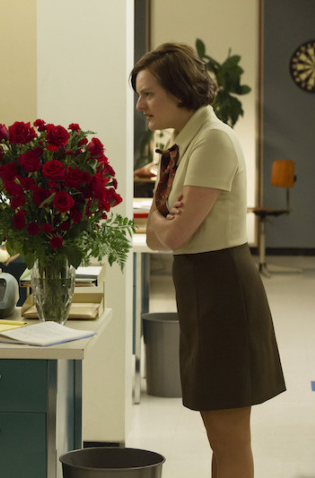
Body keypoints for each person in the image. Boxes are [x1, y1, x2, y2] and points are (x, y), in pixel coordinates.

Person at [131, 43, 285, 478]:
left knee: (229, 438)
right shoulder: (183, 144)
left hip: (223, 289)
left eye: (148, 94)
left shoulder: (212, 140)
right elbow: (156, 234)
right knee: (217, 435)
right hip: (202, 287)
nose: (140, 105)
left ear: (179, 91)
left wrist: (162, 218)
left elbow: (173, 234)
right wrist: (164, 217)